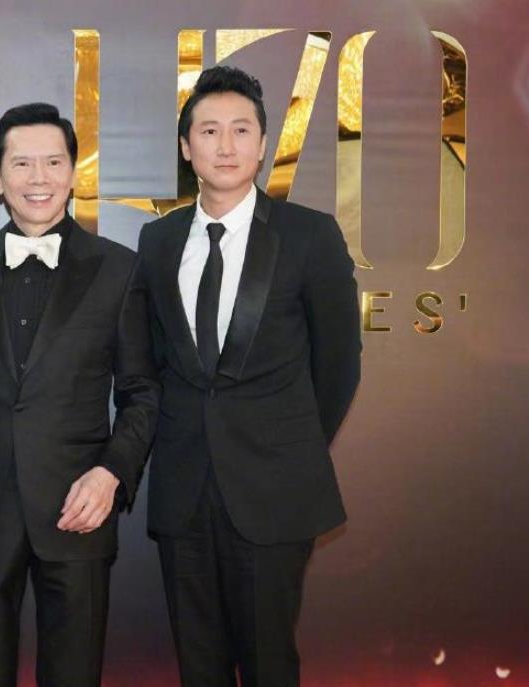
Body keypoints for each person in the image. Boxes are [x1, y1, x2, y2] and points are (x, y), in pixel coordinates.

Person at [135, 65, 361, 686]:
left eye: (241, 130)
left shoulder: (309, 235)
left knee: (268, 662)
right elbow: (152, 360)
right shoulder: (157, 242)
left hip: (274, 492)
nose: (226, 145)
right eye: (209, 131)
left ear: (263, 145)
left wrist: (286, 446)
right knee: (198, 664)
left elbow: (339, 364)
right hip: (183, 490)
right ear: (187, 148)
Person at [0, 103, 159, 687]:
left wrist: (110, 474)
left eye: (54, 162)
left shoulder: (119, 268)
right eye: (22, 163)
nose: (39, 178)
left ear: (73, 172)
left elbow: (142, 392)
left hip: (77, 510)